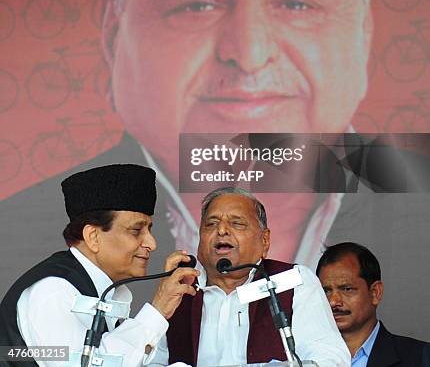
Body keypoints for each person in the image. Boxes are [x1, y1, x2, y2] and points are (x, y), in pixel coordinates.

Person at [1, 0, 430, 338]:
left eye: (298, 3)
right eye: (197, 3)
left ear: (364, 25)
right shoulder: (16, 230)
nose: (248, 54)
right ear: (113, 27)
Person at [0, 164, 198, 367]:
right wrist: (157, 309)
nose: (152, 244)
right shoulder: (53, 292)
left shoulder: (111, 291)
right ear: (93, 237)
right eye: (136, 230)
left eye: (149, 229)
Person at [149, 187, 350, 367]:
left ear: (264, 240)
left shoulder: (293, 281)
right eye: (211, 224)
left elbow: (331, 359)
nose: (221, 230)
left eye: (237, 224)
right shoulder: (179, 291)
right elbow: (149, 362)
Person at [316, 242, 429, 366]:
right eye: (326, 291)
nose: (333, 301)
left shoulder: (421, 358)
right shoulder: (301, 359)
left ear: (375, 292)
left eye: (346, 289)